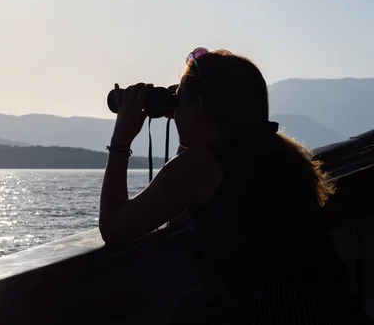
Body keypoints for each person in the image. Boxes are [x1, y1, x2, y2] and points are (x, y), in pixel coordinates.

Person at [99, 48, 371, 324]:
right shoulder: (281, 154)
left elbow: (113, 226)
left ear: (201, 106)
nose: (174, 110)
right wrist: (187, 111)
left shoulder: (201, 166)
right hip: (337, 312)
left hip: (276, 314)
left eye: (179, 101)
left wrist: (122, 136)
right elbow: (180, 213)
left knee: (192, 309)